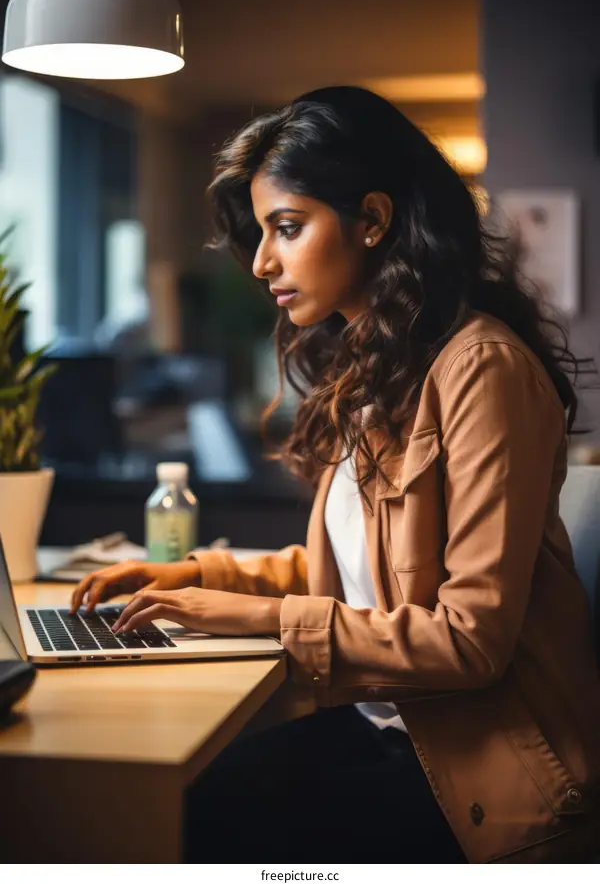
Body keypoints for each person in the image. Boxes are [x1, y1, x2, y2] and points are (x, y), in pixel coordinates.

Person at [71, 86, 600, 864]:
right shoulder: (381, 371)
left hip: (481, 775)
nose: (260, 262)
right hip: (397, 733)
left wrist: (250, 618)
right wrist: (191, 574)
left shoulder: (480, 368)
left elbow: (470, 641)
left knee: (183, 817)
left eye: (286, 227)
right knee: (175, 798)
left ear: (375, 219)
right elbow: (362, 582)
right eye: (261, 233)